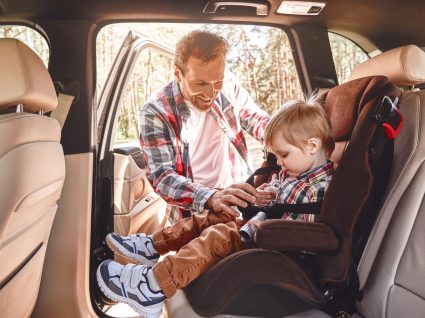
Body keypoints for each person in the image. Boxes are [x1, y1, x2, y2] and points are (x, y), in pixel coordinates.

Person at [96, 99, 335, 318]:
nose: (280, 162)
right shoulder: (295, 171)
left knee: (218, 236)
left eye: (283, 155)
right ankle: (154, 245)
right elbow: (279, 187)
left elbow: (299, 232)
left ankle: (152, 287)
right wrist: (265, 195)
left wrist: (257, 224)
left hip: (280, 246)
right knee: (213, 216)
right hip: (260, 226)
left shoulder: (319, 188)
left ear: (312, 145)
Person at [139, 30, 271, 223]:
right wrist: (210, 197)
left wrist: (286, 137)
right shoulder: (155, 110)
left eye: (217, 81)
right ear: (178, 73)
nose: (211, 93)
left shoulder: (228, 86)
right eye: (200, 83)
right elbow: (162, 176)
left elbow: (255, 118)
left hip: (238, 199)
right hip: (192, 211)